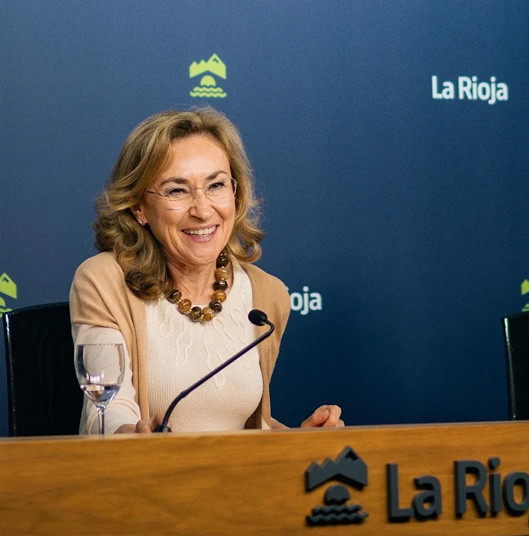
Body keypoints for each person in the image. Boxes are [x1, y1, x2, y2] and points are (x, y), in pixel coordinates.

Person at [70, 107, 343, 433]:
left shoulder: (266, 295)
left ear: (235, 193)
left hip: (232, 470)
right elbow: (105, 409)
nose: (202, 210)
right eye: (177, 190)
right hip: (145, 465)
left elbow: (245, 428)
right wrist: (135, 437)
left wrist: (300, 442)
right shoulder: (104, 281)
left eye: (216, 185)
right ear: (138, 206)